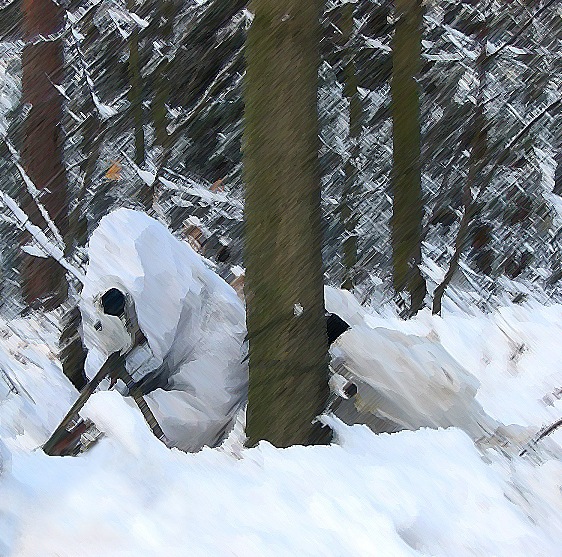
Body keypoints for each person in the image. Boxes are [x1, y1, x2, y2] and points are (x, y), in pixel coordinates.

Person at [80, 208, 248, 452]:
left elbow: (194, 420)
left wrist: (114, 418)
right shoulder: (130, 273)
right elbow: (105, 353)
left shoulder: (225, 331)